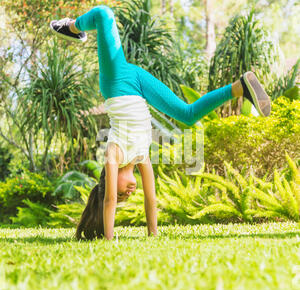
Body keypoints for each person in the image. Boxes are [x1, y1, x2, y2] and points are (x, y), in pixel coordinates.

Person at [50, 5, 271, 241]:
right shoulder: (141, 156)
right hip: (138, 86)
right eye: (128, 196)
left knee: (104, 14)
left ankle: (72, 27)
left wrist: (109, 239)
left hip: (115, 82)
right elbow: (150, 199)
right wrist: (153, 234)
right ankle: (238, 88)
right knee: (187, 113)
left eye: (122, 193)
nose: (128, 193)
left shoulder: (114, 153)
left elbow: (109, 200)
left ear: (109, 181)